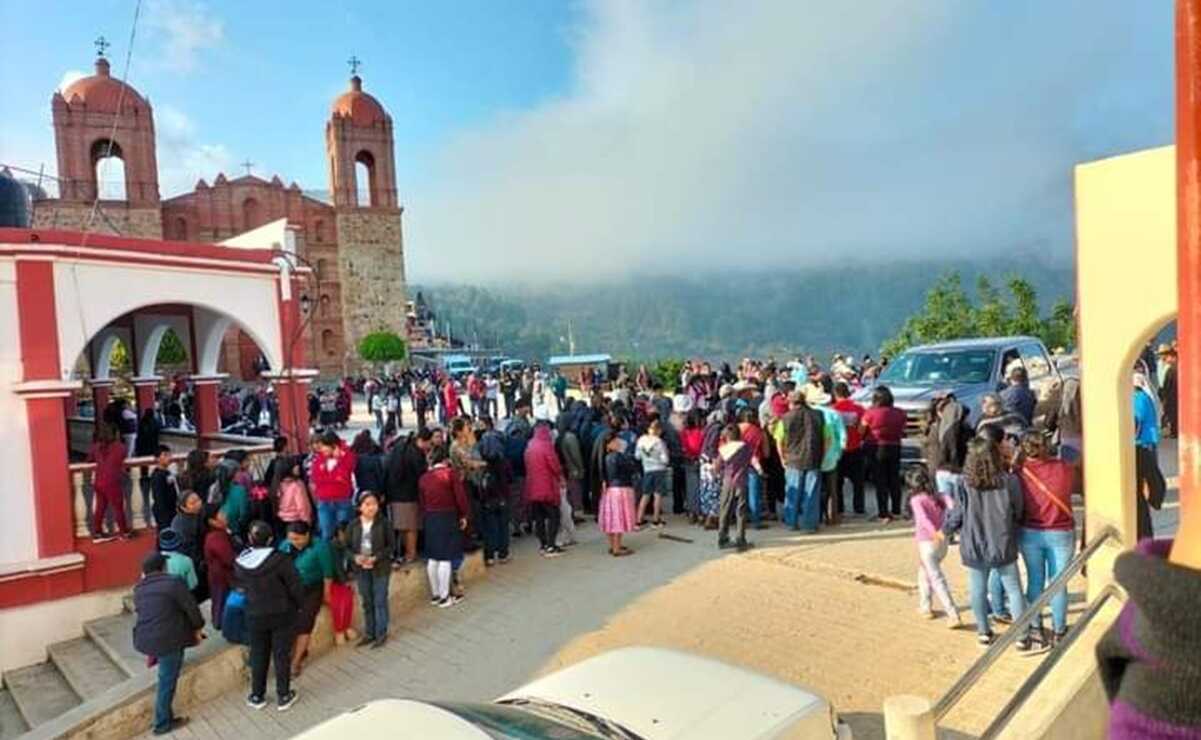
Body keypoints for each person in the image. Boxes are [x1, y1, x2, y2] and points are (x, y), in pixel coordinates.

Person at [941, 437, 1032, 650]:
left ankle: (984, 632)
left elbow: (958, 513)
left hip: (973, 541)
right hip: (1002, 541)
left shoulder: (964, 482)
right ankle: (1022, 636)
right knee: (1014, 589)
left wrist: (945, 530)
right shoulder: (1009, 481)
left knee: (977, 589)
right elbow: (1019, 510)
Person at [132, 552, 205, 736]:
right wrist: (198, 628)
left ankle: (165, 717)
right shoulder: (174, 583)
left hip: (145, 638)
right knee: (167, 680)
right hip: (168, 639)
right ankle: (162, 723)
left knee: (166, 673)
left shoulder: (139, 588)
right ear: (163, 567)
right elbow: (192, 609)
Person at [1016, 431, 1076, 646]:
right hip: (1061, 531)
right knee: (1058, 583)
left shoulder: (1019, 472)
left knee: (1034, 581)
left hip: (1030, 531)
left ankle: (1036, 628)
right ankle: (1060, 631)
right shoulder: (1063, 468)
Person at [235, 520, 302, 711]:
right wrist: (299, 605)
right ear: (271, 539)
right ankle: (283, 695)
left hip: (254, 614)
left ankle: (257, 695)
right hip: (281, 612)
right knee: (281, 654)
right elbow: (294, 585)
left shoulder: (241, 562)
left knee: (258, 654)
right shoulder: (280, 559)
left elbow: (239, 586)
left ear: (250, 538)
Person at [906, 466, 962, 628]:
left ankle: (953, 614)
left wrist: (934, 533)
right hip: (943, 542)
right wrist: (947, 530)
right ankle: (925, 606)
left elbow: (923, 520)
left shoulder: (916, 500)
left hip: (928, 542)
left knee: (936, 578)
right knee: (924, 572)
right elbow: (954, 509)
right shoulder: (941, 496)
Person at [278, 521, 334, 675]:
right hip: (291, 589)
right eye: (291, 539)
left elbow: (327, 574)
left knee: (305, 621)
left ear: (307, 536)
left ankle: (296, 661)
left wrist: (327, 594)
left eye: (297, 539)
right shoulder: (285, 547)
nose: (294, 542)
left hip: (312, 588)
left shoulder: (320, 547)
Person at [419, 449, 471, 606]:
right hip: (448, 516)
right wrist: (464, 515)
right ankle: (445, 596)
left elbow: (421, 501)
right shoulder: (450, 474)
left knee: (433, 558)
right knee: (445, 558)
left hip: (430, 517)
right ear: (446, 460)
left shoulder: (423, 478)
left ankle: (435, 595)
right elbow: (460, 497)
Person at [347, 491, 395, 645]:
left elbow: (391, 546)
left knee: (380, 600)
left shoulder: (384, 523)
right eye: (367, 504)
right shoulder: (353, 525)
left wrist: (377, 557)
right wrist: (355, 557)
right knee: (367, 601)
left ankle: (381, 632)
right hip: (361, 569)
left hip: (380, 567)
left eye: (374, 504)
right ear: (360, 507)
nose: (371, 507)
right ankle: (370, 632)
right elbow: (346, 547)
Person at [775, 389, 825, 533]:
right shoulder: (818, 415)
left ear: (791, 403)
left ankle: (792, 522)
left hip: (793, 459)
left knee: (793, 492)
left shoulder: (785, 418)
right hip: (813, 457)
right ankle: (809, 524)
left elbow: (780, 440)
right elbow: (826, 438)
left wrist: (782, 458)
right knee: (811, 492)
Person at [384, 429, 431, 565]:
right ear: (422, 441)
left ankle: (407, 553)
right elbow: (421, 475)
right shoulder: (415, 453)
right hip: (409, 495)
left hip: (396, 494)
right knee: (411, 527)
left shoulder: (400, 449)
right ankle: (411, 554)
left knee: (403, 527)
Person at [861, 386, 906, 521]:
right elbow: (903, 429)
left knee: (880, 481)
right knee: (894, 478)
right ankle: (896, 510)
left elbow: (861, 431)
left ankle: (883, 512)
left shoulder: (870, 413)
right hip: (895, 446)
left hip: (876, 447)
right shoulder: (901, 413)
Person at [714, 423, 760, 551]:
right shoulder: (746, 447)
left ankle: (722, 538)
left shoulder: (724, 449)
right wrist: (760, 470)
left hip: (728, 482)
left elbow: (716, 468)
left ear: (727, 437)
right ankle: (741, 539)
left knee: (725, 510)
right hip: (742, 481)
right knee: (741, 511)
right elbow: (754, 460)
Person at [524, 421, 567, 557]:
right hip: (546, 486)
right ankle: (551, 545)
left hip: (532, 486)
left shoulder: (530, 445)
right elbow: (554, 465)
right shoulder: (546, 446)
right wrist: (561, 477)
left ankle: (543, 544)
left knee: (539, 517)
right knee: (554, 515)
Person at [1133, 373, 1166, 541]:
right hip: (1146, 445)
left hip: (1140, 445)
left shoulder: (1137, 398)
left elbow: (1136, 422)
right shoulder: (1145, 396)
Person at [88, 422, 131, 542]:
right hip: (112, 480)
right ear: (115, 433)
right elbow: (123, 457)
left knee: (100, 507)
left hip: (99, 480)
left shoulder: (96, 446)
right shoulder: (121, 447)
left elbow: (89, 459)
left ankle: (97, 532)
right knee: (118, 507)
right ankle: (123, 532)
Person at [311, 431, 357, 541]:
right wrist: (334, 479)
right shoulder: (319, 459)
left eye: (325, 447)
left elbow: (347, 472)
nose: (322, 450)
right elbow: (316, 478)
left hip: (342, 499)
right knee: (326, 533)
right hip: (324, 500)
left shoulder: (347, 456)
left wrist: (340, 457)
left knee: (345, 533)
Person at [599, 433, 639, 556]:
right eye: (616, 441)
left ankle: (613, 546)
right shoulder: (620, 456)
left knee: (611, 520)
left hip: (611, 490)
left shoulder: (605, 457)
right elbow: (632, 468)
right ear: (610, 444)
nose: (618, 443)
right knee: (619, 519)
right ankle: (617, 548)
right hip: (622, 489)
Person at [832, 383, 868, 516]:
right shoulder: (859, 409)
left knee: (838, 482)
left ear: (835, 394)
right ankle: (859, 508)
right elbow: (863, 428)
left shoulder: (833, 409)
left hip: (839, 450)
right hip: (856, 447)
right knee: (858, 482)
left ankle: (840, 508)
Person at [203, 509, 236, 631]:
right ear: (212, 521)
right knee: (221, 601)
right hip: (221, 577)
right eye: (221, 514)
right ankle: (220, 623)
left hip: (221, 575)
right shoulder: (215, 538)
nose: (225, 516)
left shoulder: (220, 533)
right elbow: (228, 558)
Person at [635, 419, 671, 529]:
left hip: (647, 470)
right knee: (657, 495)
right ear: (659, 430)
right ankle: (656, 520)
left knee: (645, 495)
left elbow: (637, 456)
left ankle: (638, 520)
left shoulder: (641, 440)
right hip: (659, 470)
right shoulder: (659, 442)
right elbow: (665, 459)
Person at [148, 446, 179, 531]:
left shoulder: (167, 472)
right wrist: (163, 514)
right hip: (163, 510)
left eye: (169, 455)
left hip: (171, 508)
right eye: (165, 455)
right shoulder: (157, 476)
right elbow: (158, 496)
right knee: (165, 533)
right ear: (157, 458)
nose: (169, 458)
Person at [1156, 343, 1178, 437]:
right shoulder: (1160, 364)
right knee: (1168, 412)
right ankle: (1171, 430)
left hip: (1171, 393)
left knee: (1172, 412)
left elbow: (1170, 383)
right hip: (1164, 391)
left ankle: (1173, 431)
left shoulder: (1172, 368)